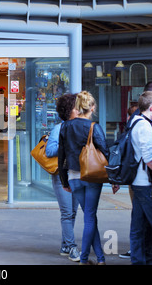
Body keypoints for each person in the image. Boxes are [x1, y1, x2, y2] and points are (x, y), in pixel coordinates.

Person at [58, 91, 109, 265]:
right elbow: (105, 152)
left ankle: (100, 258)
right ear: (92, 107)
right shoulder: (94, 126)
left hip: (73, 177)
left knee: (89, 217)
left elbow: (61, 156)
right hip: (92, 176)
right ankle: (85, 258)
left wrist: (64, 181)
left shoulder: (65, 126)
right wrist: (114, 178)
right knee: (90, 217)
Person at [119, 81, 152, 260]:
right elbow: (147, 156)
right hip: (145, 183)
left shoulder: (135, 120)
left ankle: (139, 260)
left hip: (137, 182)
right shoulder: (144, 125)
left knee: (138, 226)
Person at [45, 93, 80, 262]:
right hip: (62, 175)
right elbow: (49, 151)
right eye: (76, 107)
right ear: (69, 110)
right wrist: (67, 144)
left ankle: (65, 244)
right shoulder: (59, 128)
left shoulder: (80, 126)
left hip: (76, 175)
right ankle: (72, 247)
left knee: (73, 212)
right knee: (67, 213)